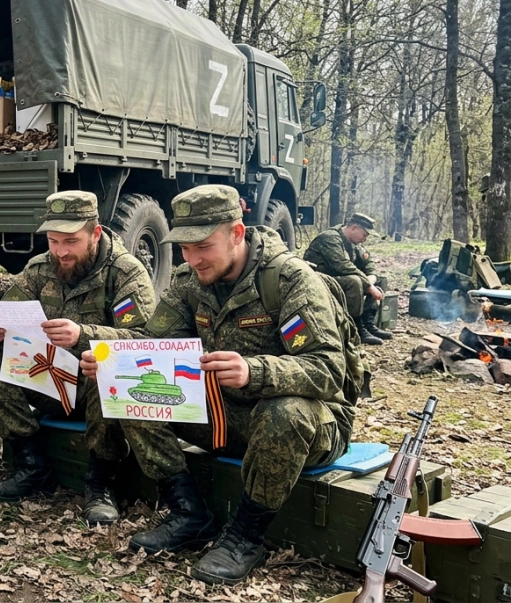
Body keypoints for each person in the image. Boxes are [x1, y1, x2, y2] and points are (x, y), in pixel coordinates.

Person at [78, 185, 359, 584]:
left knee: (285, 411)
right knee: (130, 385)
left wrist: (254, 370)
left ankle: (245, 537)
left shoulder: (291, 280)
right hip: (226, 415)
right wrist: (109, 356)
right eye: (185, 248)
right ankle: (188, 512)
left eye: (203, 247)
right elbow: (155, 344)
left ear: (237, 233)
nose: (192, 259)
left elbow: (329, 370)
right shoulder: (189, 281)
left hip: (310, 424)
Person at [0, 191, 155, 525]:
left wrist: (84, 335)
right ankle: (31, 464)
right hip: (49, 378)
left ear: (95, 233)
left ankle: (101, 481)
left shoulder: (126, 273)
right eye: (54, 241)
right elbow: (10, 314)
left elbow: (146, 342)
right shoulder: (39, 268)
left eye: (71, 241)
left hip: (93, 387)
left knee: (109, 368)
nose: (61, 251)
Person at [302, 213, 391, 345]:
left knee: (379, 281)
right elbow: (342, 265)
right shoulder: (330, 238)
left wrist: (372, 277)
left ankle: (368, 324)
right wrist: (368, 285)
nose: (365, 239)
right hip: (318, 279)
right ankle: (356, 327)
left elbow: (368, 262)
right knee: (354, 281)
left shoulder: (353, 244)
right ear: (354, 228)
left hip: (336, 279)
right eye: (365, 234)